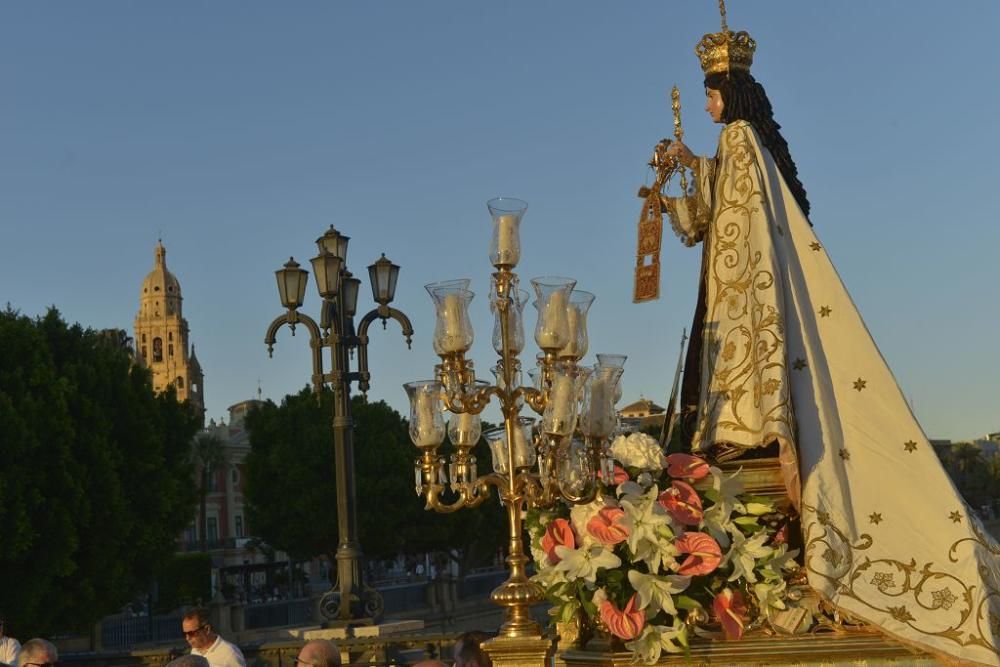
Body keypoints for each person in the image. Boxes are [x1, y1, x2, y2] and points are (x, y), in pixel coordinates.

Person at [655, 4, 1000, 666]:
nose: (705, 105)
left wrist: (688, 172)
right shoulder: (748, 145)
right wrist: (684, 170)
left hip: (740, 306)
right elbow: (714, 215)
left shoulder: (736, 142)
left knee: (736, 409)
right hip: (740, 289)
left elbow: (726, 227)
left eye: (709, 94)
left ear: (728, 93)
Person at [181, 607, 245, 667]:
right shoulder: (194, 651)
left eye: (191, 633)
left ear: (207, 629)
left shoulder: (230, 653)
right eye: (184, 634)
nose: (187, 638)